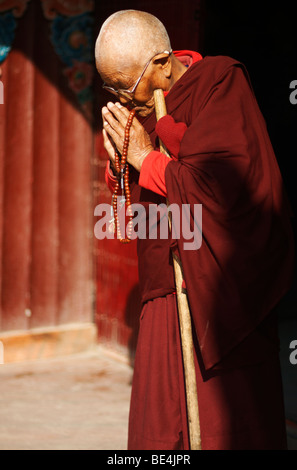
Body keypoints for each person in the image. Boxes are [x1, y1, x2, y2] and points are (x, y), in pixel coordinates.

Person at [95, 10, 294, 450]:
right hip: (167, 288)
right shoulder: (141, 101)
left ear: (163, 63)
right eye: (110, 89)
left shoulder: (221, 82)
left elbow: (225, 187)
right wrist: (120, 163)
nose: (123, 100)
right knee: (162, 430)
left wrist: (148, 159)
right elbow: (132, 198)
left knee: (227, 426)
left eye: (126, 86)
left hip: (221, 290)